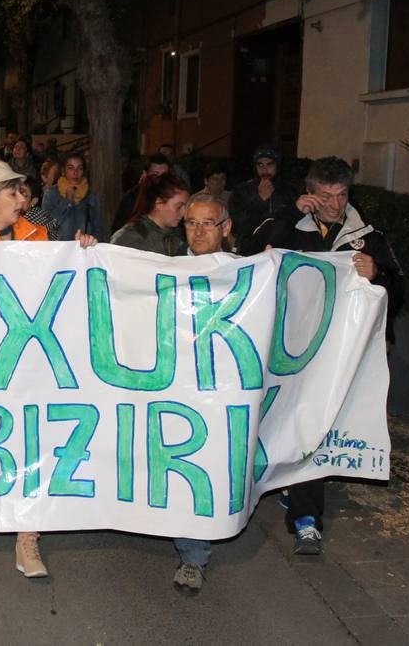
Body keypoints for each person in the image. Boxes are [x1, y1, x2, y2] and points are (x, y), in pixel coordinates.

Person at [0, 161, 97, 578]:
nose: (23, 199)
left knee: (33, 439)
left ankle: (27, 537)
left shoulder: (40, 232)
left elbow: (63, 273)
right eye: (14, 192)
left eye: (24, 192)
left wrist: (84, 247)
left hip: (30, 359)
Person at [267, 156, 403, 557]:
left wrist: (377, 271)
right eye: (326, 196)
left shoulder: (369, 236)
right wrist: (290, 216)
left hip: (346, 350)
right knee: (298, 420)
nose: (335, 204)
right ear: (311, 192)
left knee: (320, 423)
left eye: (342, 195)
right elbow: (256, 254)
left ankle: (305, 511)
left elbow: (399, 290)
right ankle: (300, 500)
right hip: (295, 349)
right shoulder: (292, 227)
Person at [170, 194, 234, 595]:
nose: (198, 231)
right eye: (191, 222)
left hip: (223, 392)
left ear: (225, 227)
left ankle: (194, 557)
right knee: (179, 470)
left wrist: (360, 271)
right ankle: (191, 553)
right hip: (175, 388)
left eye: (208, 223)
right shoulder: (163, 268)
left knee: (205, 470)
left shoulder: (246, 270)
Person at [228, 144, 297, 255]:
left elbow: (292, 223)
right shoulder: (241, 191)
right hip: (249, 252)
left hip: (282, 252)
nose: (264, 169)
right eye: (260, 165)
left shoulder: (289, 191)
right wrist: (260, 200)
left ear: (277, 166)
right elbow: (236, 227)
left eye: (269, 164)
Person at [109, 172, 190, 256]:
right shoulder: (129, 238)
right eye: (179, 207)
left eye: (186, 207)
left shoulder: (181, 235)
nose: (184, 213)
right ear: (159, 203)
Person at [43, 152, 103, 242]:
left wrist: (94, 243)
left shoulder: (90, 196)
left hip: (83, 250)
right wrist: (67, 202)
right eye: (70, 168)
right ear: (63, 170)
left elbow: (98, 229)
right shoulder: (51, 194)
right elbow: (46, 226)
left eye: (80, 168)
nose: (75, 172)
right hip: (59, 251)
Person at [110, 154, 171, 235]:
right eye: (155, 175)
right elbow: (117, 229)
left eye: (164, 176)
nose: (160, 180)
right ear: (145, 174)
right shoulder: (132, 198)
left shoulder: (171, 197)